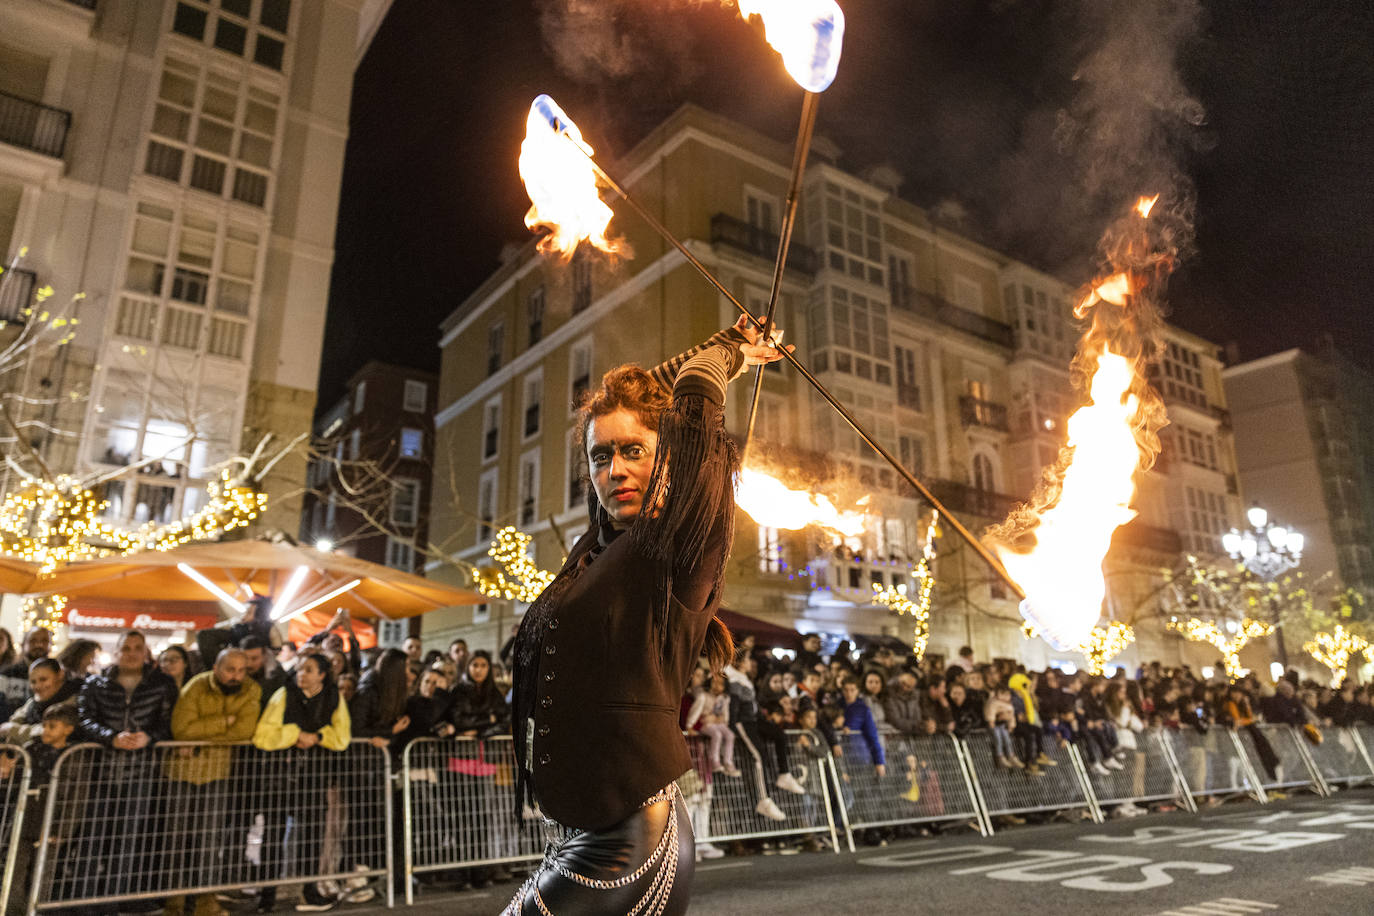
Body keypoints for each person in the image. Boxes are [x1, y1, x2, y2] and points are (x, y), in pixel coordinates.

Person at [504, 318, 788, 915]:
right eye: (600, 457)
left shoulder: (682, 541)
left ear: (668, 461)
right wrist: (718, 345)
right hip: (581, 835)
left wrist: (725, 356)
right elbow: (649, 397)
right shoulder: (595, 553)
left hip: (631, 841)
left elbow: (690, 413)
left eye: (634, 451)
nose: (616, 470)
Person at [77, 630, 181, 907]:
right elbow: (84, 719)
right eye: (126, 648)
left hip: (143, 772)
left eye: (137, 648)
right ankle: (85, 904)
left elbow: (170, 722)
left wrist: (149, 737)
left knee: (128, 840)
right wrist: (110, 737)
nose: (131, 653)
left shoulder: (161, 684)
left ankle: (115, 901)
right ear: (117, 651)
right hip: (101, 772)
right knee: (93, 839)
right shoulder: (96, 683)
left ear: (145, 651)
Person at [252, 652, 351, 912]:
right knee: (272, 837)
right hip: (280, 777)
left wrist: (317, 737)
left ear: (322, 674)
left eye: (308, 670)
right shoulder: (283, 695)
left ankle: (310, 891)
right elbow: (263, 735)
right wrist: (295, 734)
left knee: (312, 839)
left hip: (314, 778)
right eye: (299, 669)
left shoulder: (333, 698)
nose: (301, 674)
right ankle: (267, 895)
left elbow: (342, 737)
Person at [165, 649, 261, 916]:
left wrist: (200, 738)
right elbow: (182, 729)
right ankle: (173, 900)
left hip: (217, 773)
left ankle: (205, 899)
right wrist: (224, 722)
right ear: (217, 668)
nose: (236, 676)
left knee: (210, 838)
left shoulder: (250, 690)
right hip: (182, 773)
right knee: (176, 837)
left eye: (242, 671)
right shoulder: (197, 686)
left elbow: (245, 730)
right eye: (230, 670)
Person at [0, 658, 80, 745]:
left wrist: (14, 730)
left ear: (60, 675)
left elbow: (52, 732)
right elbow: (10, 725)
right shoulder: (32, 703)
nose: (37, 686)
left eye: (43, 679)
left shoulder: (74, 700)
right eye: (33, 682)